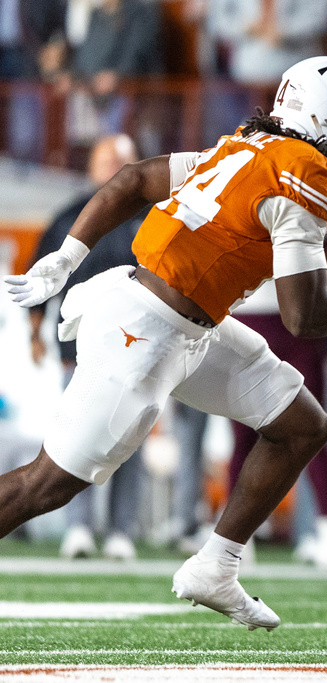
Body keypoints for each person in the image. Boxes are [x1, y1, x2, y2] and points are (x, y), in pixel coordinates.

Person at [1, 56, 327, 631]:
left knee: (301, 425)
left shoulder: (248, 147)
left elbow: (134, 179)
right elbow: (304, 315)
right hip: (143, 332)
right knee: (46, 485)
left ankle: (215, 567)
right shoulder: (306, 175)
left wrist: (69, 255)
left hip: (174, 319)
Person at [27, 134, 148, 561]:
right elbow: (44, 270)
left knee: (130, 439)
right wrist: (34, 328)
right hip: (78, 348)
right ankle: (77, 527)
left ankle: (121, 530)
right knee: (75, 438)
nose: (113, 167)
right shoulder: (69, 216)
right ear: (92, 166)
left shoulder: (152, 215)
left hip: (139, 347)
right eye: (106, 160)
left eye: (122, 160)